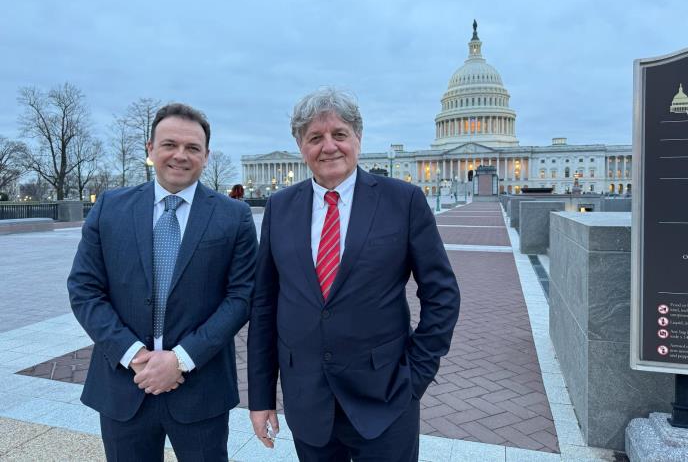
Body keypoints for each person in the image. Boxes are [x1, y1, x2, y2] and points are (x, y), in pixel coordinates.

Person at [248, 88, 460, 461]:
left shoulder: (403, 201)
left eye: (339, 134)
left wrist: (416, 376)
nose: (329, 146)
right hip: (307, 400)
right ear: (301, 146)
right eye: (315, 137)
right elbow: (265, 304)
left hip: (386, 397)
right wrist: (261, 397)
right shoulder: (280, 207)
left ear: (358, 138)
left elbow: (442, 294)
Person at [68, 103, 257, 461]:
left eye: (192, 147)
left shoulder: (234, 217)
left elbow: (241, 296)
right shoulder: (110, 208)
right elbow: (84, 290)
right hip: (124, 383)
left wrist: (181, 359)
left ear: (206, 156)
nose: (180, 155)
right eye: (169, 144)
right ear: (150, 149)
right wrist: (135, 355)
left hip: (200, 386)